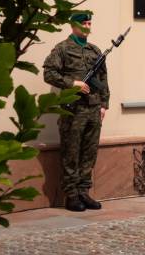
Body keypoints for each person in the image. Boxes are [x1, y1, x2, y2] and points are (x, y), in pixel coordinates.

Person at [43, 13, 109, 211]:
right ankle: (71, 195)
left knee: (89, 152)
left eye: (89, 23)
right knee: (71, 152)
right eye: (84, 23)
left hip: (94, 108)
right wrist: (73, 84)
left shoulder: (95, 50)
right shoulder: (62, 48)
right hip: (74, 109)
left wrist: (104, 104)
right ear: (73, 25)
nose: (87, 26)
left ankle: (83, 192)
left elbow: (103, 78)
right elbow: (49, 73)